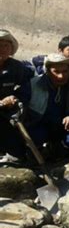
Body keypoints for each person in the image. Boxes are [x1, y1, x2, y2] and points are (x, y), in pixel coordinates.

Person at [17, 53, 69, 158]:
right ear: (48, 72)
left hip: (61, 126)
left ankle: (55, 150)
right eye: (56, 72)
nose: (61, 76)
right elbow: (18, 99)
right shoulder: (34, 84)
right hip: (38, 124)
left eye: (65, 71)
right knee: (36, 136)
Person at [0, 29, 35, 162]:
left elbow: (26, 86)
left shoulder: (16, 67)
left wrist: (15, 97)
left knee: (17, 154)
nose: (2, 49)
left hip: (5, 113)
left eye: (6, 46)